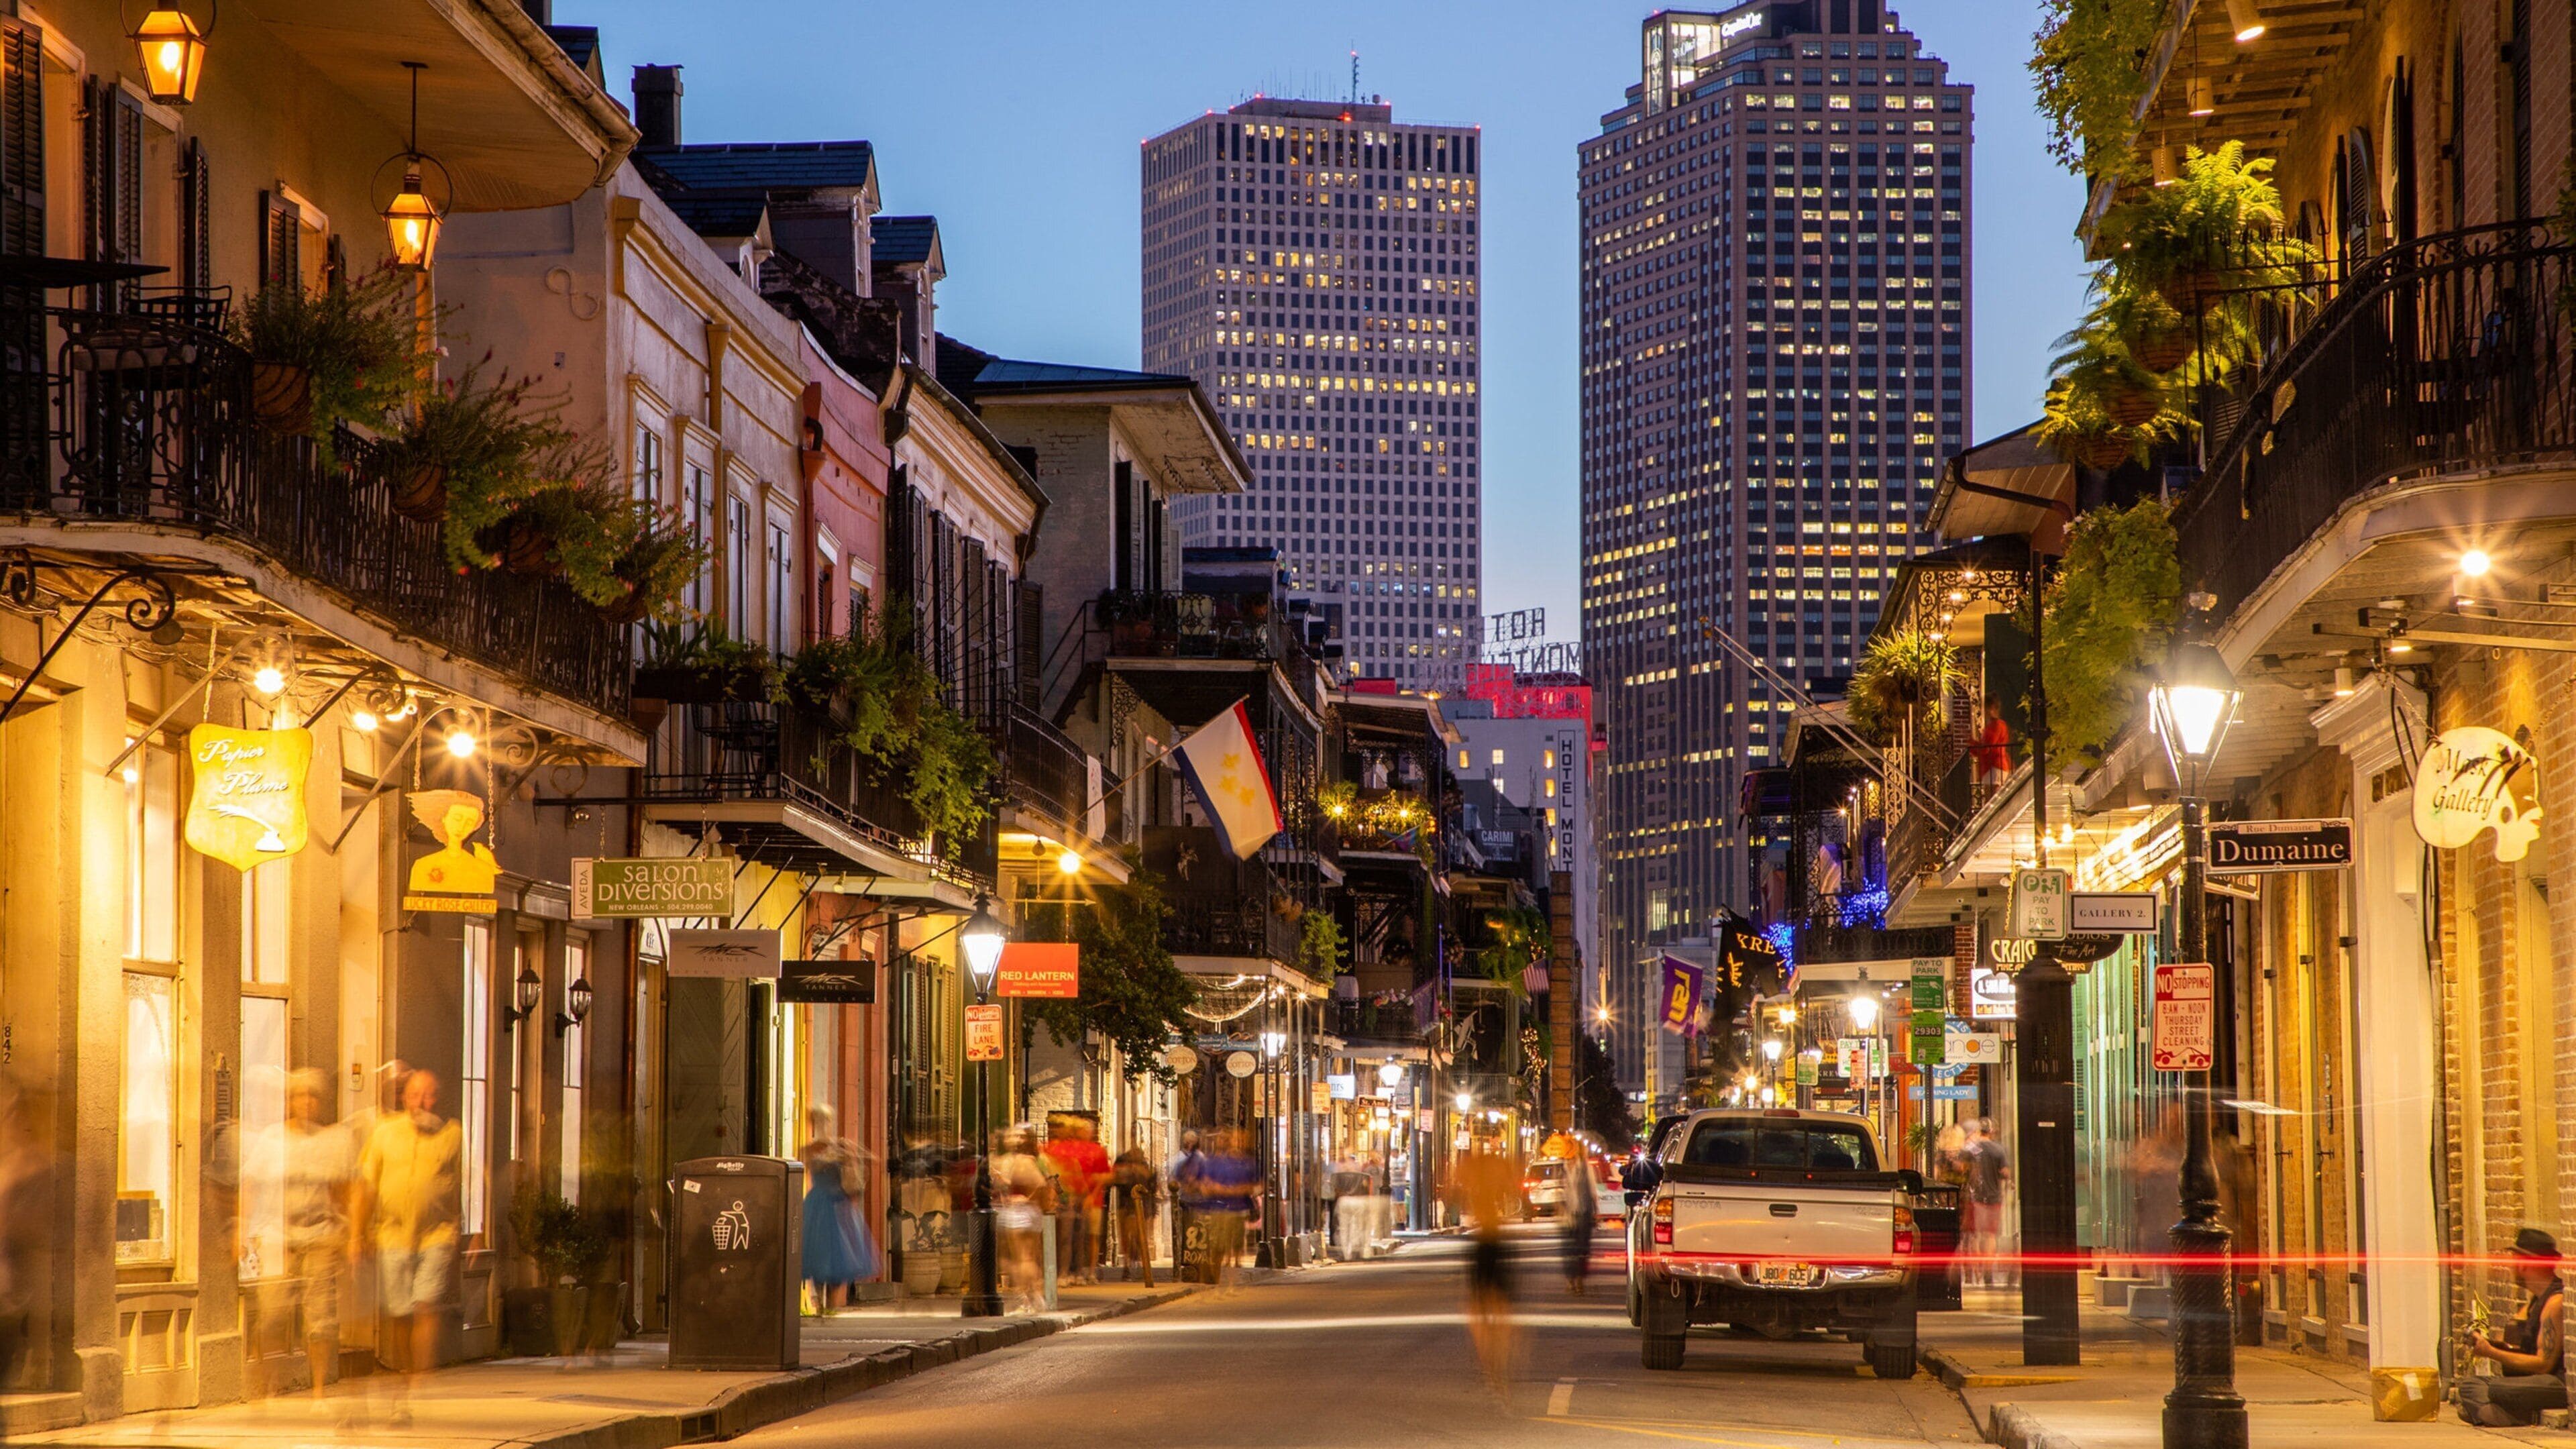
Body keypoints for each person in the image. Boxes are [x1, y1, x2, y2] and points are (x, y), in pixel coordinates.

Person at [356, 1069, 462, 1422]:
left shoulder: (452, 1135)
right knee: (400, 1312)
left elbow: (457, 1183)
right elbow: (367, 1185)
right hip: (392, 1234)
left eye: (428, 1095)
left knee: (424, 1304)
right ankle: (405, 1369)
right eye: (415, 1095)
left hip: (437, 1234)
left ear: (437, 1099)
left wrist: (459, 1228)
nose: (421, 1102)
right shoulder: (385, 1133)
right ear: (404, 1098)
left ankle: (419, 1377)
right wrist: (358, 1233)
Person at [277, 1069, 355, 1400]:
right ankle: (267, 1389)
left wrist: (350, 1232)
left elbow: (344, 1187)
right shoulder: (276, 1140)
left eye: (312, 1097)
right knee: (274, 1313)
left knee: (319, 1317)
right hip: (281, 1236)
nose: (307, 1103)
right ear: (289, 1102)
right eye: (299, 1096)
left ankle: (319, 1389)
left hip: (321, 1234)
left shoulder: (331, 1140)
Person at [2461, 1229, 2567, 1426]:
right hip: (2536, 1381)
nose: (2510, 1266)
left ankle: (2509, 1416)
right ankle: (2496, 1413)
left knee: (2498, 1389)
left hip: (2557, 1384)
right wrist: (2496, 1346)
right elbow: (2528, 1352)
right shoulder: (2536, 1301)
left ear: (2524, 1263)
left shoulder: (2555, 1302)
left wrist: (2491, 1352)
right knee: (2471, 1385)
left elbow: (2544, 1364)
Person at [1447, 1144, 1521, 1401]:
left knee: (1478, 1309)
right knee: (1500, 1308)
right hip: (1498, 1240)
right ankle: (1498, 1361)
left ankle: (1489, 1363)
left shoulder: (1471, 1170)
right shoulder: (1500, 1168)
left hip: (1483, 1243)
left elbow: (1452, 1196)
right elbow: (1515, 1193)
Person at [797, 1105, 879, 1313]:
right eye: (817, 1120)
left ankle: (830, 1306)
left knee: (838, 1254)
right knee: (817, 1254)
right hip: (819, 1203)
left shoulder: (840, 1147)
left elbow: (871, 1160)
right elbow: (807, 1167)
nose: (821, 1124)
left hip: (838, 1203)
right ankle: (822, 1307)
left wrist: (849, 1155)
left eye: (825, 1120)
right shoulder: (808, 1149)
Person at [988, 1127, 1054, 1313]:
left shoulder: (1014, 1162)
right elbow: (1043, 1184)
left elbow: (1039, 1185)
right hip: (1031, 1212)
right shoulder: (1033, 1160)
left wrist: (1022, 1197)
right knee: (1029, 1257)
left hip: (1017, 1212)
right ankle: (1034, 1296)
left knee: (1019, 1258)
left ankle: (1029, 1299)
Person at [1044, 1118, 1110, 1287]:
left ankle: (1083, 1271)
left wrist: (1089, 1193)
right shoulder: (1058, 1149)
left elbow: (1104, 1175)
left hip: (1084, 1198)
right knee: (1067, 1236)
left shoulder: (1094, 1150)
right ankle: (1067, 1272)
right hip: (1070, 1198)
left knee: (1081, 1236)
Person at [1963, 1118, 2014, 1289]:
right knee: (1990, 1236)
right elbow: (2006, 1173)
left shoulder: (1973, 1148)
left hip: (1976, 1197)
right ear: (1991, 1131)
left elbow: (1960, 1163)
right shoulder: (1999, 1149)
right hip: (1994, 1198)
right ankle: (1988, 1271)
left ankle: (1977, 1269)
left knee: (1977, 1235)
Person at [1109, 1140, 1161, 1286]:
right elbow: (1114, 1180)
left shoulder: (1146, 1166)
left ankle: (1135, 1260)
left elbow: (1152, 1186)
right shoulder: (1122, 1162)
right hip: (1126, 1204)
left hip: (1141, 1206)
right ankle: (1128, 1264)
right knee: (1126, 1236)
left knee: (1138, 1236)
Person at [1560, 1161, 1599, 1295]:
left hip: (1583, 1213)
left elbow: (1593, 1191)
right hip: (1567, 1216)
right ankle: (1571, 1279)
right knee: (1568, 1250)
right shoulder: (1561, 1169)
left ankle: (1579, 1280)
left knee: (1582, 1249)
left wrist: (1596, 1212)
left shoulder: (1586, 1168)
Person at [1970, 698, 2013, 792]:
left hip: (1994, 768)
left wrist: (1970, 742)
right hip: (1994, 768)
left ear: (1991, 708)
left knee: (1992, 801)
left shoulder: (1996, 725)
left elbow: (1986, 749)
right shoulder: (1997, 725)